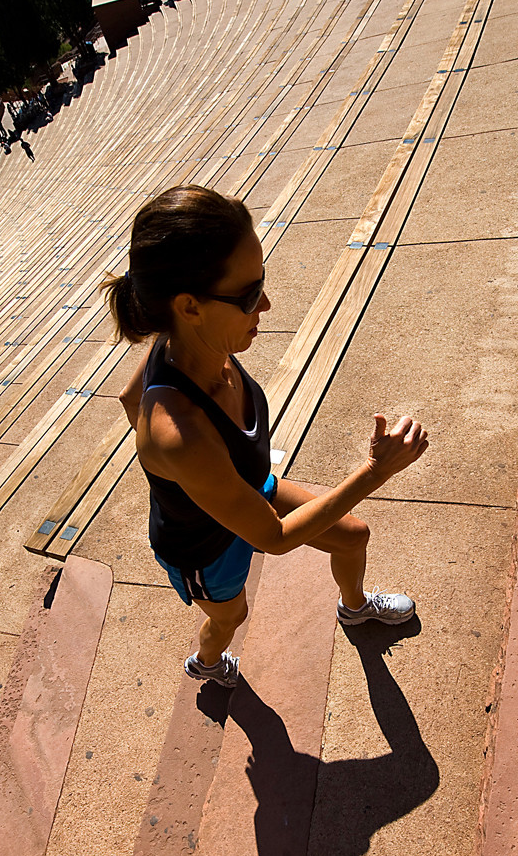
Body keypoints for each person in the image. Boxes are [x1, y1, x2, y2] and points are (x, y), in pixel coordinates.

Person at [107, 185, 428, 688]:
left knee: (354, 536)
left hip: (250, 492)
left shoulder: (184, 345)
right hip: (205, 548)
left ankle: (355, 607)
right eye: (249, 295)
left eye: (262, 282)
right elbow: (272, 539)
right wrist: (376, 470)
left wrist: (197, 481)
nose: (268, 304)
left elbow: (129, 401)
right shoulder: (180, 431)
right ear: (189, 306)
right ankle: (207, 663)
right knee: (230, 618)